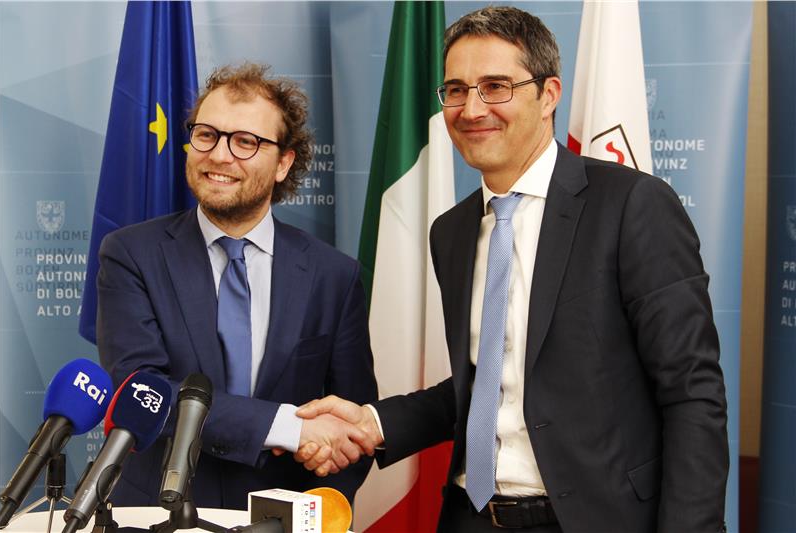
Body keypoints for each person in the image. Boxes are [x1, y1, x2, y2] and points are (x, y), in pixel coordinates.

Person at [295, 6, 728, 532]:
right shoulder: (452, 231)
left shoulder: (631, 205)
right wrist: (373, 422)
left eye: (495, 86)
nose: (472, 108)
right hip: (469, 516)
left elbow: (692, 393)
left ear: (548, 95)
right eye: (456, 90)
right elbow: (487, 383)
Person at [96, 63, 377, 509]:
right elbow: (144, 393)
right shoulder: (131, 254)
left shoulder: (333, 275)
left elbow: (351, 422)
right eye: (206, 134)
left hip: (286, 518)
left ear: (284, 163)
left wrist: (322, 509)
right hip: (157, 512)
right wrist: (290, 428)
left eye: (246, 141)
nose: (220, 155)